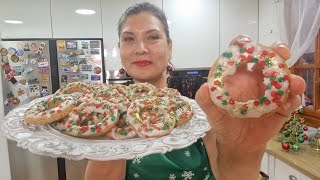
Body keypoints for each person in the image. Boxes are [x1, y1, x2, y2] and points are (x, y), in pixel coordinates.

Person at [85, 2, 306, 180]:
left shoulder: (201, 112)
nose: (141, 48)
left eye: (152, 37)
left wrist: (247, 152)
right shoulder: (107, 120)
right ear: (121, 49)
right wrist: (112, 124)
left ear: (169, 47)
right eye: (129, 38)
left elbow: (231, 175)